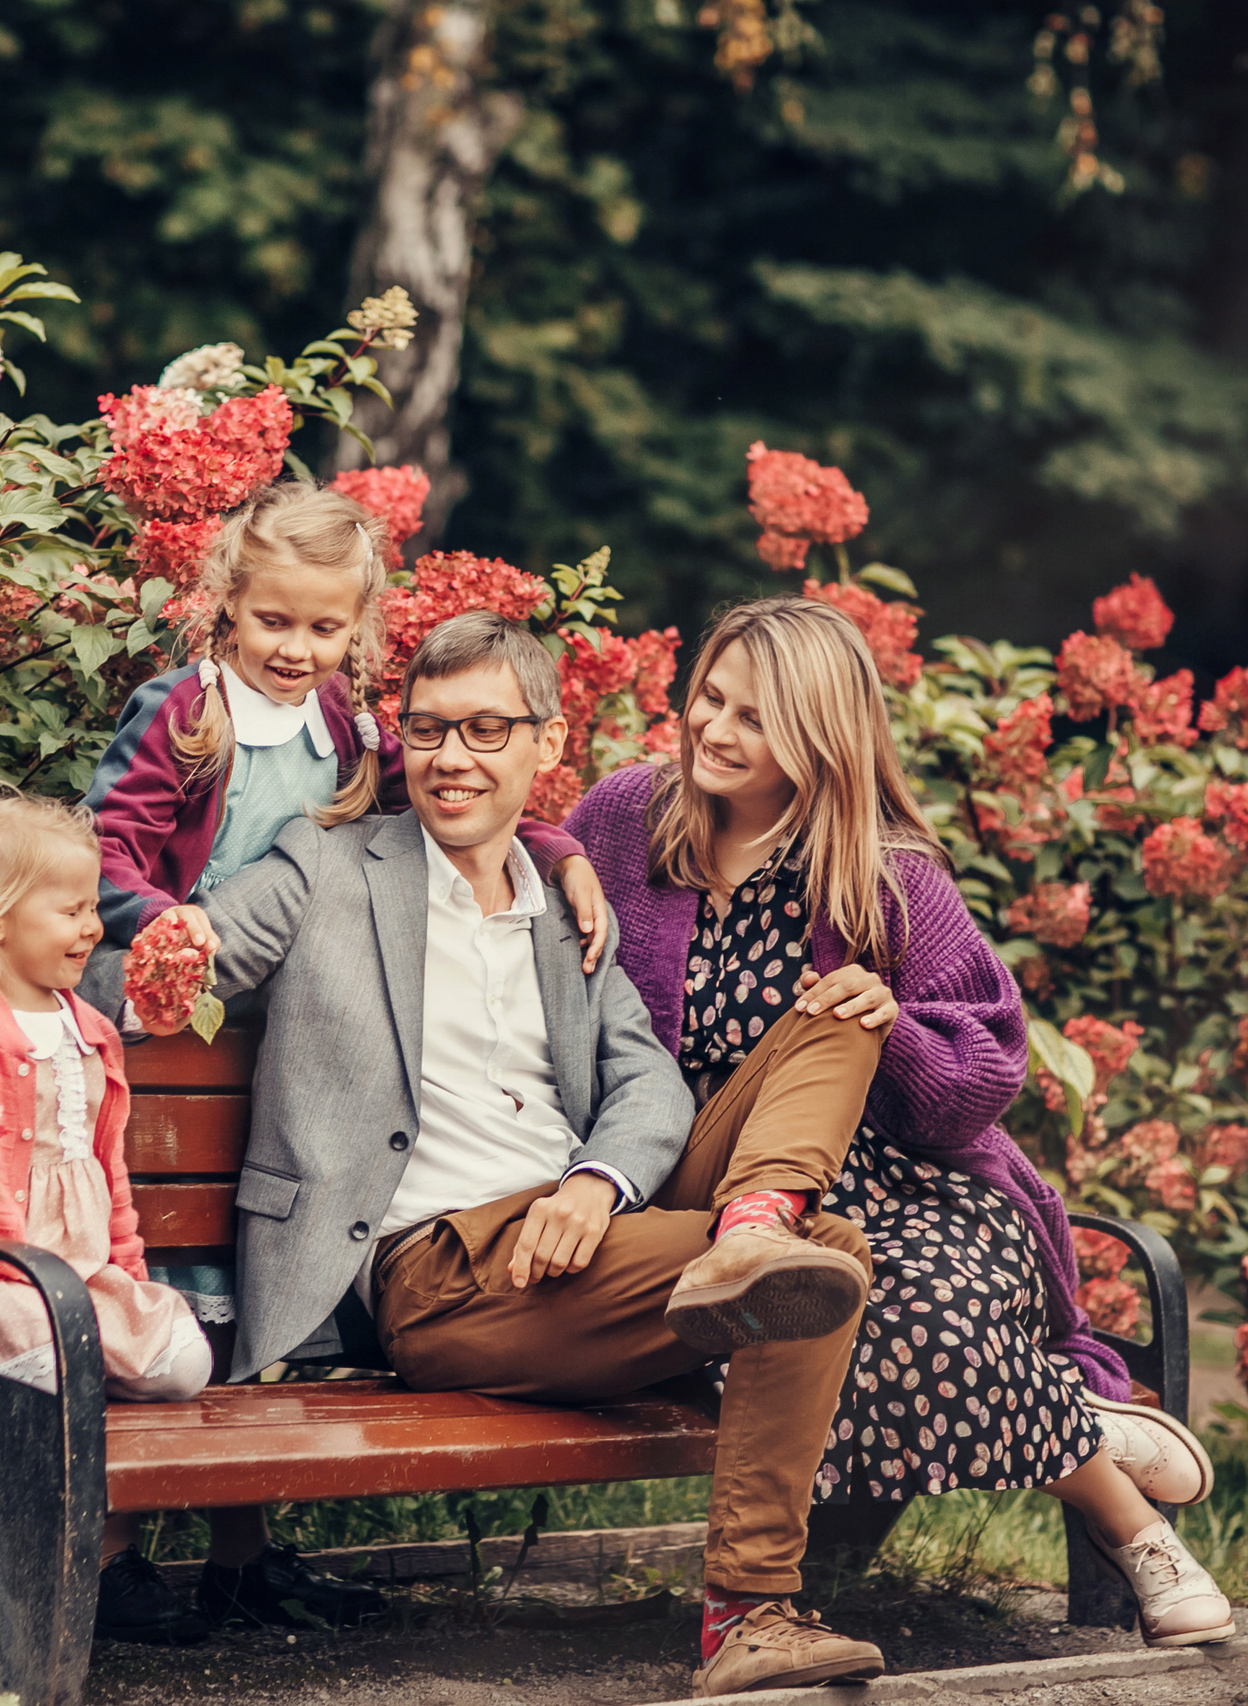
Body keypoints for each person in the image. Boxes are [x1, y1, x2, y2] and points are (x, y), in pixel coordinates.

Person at [121, 610, 895, 1698]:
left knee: (847, 1012)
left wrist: (593, 1180)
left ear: (548, 739)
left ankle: (754, 1228)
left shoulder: (561, 909)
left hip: (581, 1230)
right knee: (829, 1254)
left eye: (488, 728)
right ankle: (749, 1610)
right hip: (437, 1266)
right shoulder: (327, 866)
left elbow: (646, 1084)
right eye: (429, 730)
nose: (453, 757)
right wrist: (39, 950)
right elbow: (166, 973)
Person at [561, 594, 1235, 1650]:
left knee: (900, 1297)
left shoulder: (884, 871)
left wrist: (892, 1024)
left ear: (820, 735)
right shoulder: (623, 817)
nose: (712, 730)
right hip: (701, 1174)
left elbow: (982, 1075)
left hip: (900, 1181)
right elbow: (510, 844)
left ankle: (1133, 1532)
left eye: (753, 718)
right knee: (826, 1290)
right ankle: (1098, 1454)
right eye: (709, 699)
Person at [74, 480, 602, 1643]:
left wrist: (561, 852)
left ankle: (245, 1556)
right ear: (227, 605)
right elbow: (103, 842)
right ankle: (106, 1558)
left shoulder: (350, 730)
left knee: (256, 1307)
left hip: (284, 1028)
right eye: (274, 622)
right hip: (179, 1006)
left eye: (323, 629)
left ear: (356, 629)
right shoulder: (186, 710)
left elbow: (436, 811)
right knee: (156, 1293)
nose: (294, 648)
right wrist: (161, 925)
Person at [0, 792, 225, 1635]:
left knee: (183, 1363)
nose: (91, 928)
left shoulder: (91, 1031)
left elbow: (109, 1170)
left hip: (81, 1276)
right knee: (58, 1364)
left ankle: (88, 1389)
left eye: (91, 909)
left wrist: (132, 1275)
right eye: (69, 910)